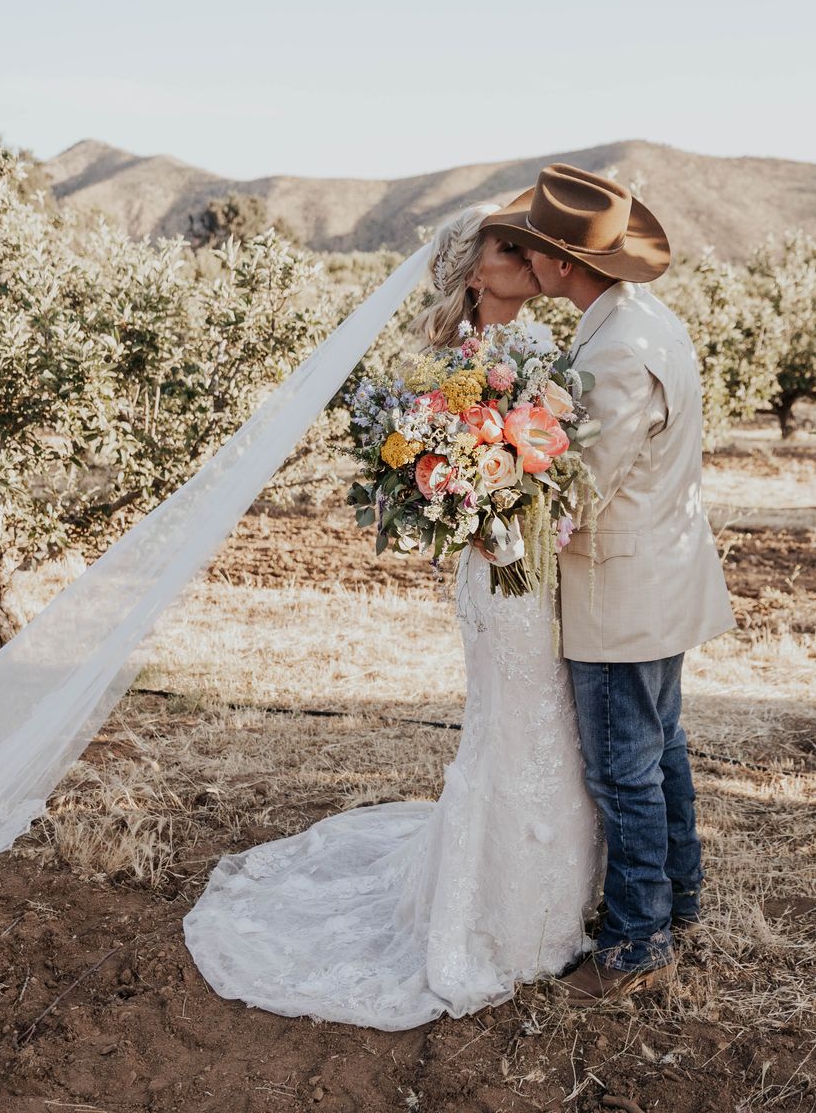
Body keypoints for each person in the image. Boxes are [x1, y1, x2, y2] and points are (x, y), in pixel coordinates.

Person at [181, 203, 604, 1029]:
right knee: (519, 725)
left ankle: (548, 900)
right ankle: (500, 921)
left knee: (550, 729)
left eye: (528, 246)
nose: (529, 258)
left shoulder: (550, 355)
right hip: (500, 574)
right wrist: (478, 505)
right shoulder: (455, 369)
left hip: (544, 569)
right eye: (509, 249)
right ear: (476, 273)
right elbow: (440, 476)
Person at [478, 164, 736, 1003]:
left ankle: (636, 940)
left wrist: (489, 495)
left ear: (561, 264)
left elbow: (581, 487)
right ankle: (679, 896)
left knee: (623, 766)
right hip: (658, 572)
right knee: (660, 746)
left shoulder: (619, 348)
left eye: (540, 251)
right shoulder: (642, 319)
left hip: (623, 587)